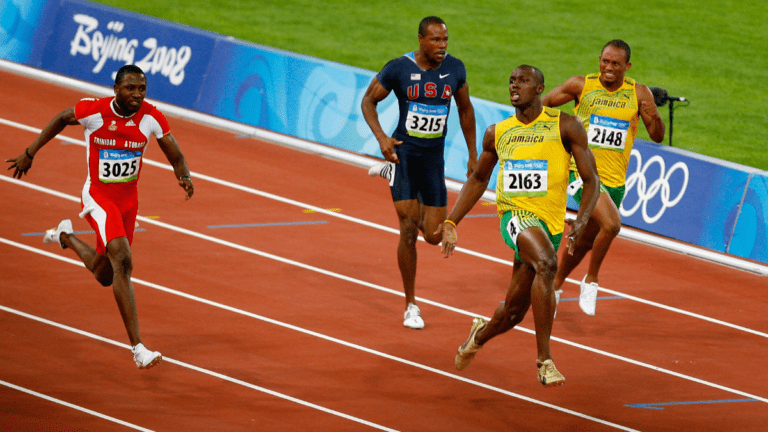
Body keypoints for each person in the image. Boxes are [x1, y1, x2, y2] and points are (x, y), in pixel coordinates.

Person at [6, 65, 194, 369]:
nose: (137, 95)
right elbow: (60, 119)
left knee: (106, 274)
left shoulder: (151, 116)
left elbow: (173, 151)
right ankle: (138, 349)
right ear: (116, 88)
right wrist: (31, 151)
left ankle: (64, 235)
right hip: (98, 196)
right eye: (130, 88)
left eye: (142, 89)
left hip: (127, 202)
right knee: (124, 261)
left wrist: (183, 175)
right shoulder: (93, 111)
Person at [439, 65, 599, 386]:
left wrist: (582, 219)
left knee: (513, 313)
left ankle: (479, 335)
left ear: (540, 89)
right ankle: (545, 361)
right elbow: (480, 178)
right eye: (511, 80)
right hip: (515, 216)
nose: (515, 85)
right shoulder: (498, 132)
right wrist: (451, 220)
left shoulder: (565, 126)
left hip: (549, 224)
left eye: (523, 81)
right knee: (547, 262)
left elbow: (591, 179)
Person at [361, 16, 477, 329]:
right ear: (421, 40)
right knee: (409, 228)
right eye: (436, 40)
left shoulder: (455, 69)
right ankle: (411, 304)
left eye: (446, 40)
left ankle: (387, 172)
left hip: (433, 160)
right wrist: (383, 139)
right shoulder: (398, 68)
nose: (442, 46)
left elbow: (466, 110)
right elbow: (368, 101)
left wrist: (473, 153)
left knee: (433, 236)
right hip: (405, 157)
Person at [542, 39, 665, 316]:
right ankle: (592, 280)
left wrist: (653, 114)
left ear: (627, 66)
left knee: (586, 240)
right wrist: (555, 140)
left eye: (615, 64)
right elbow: (543, 105)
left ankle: (556, 285)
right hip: (581, 174)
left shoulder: (638, 93)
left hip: (615, 182)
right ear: (599, 60)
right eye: (605, 62)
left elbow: (657, 136)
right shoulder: (580, 85)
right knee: (611, 225)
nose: (608, 68)